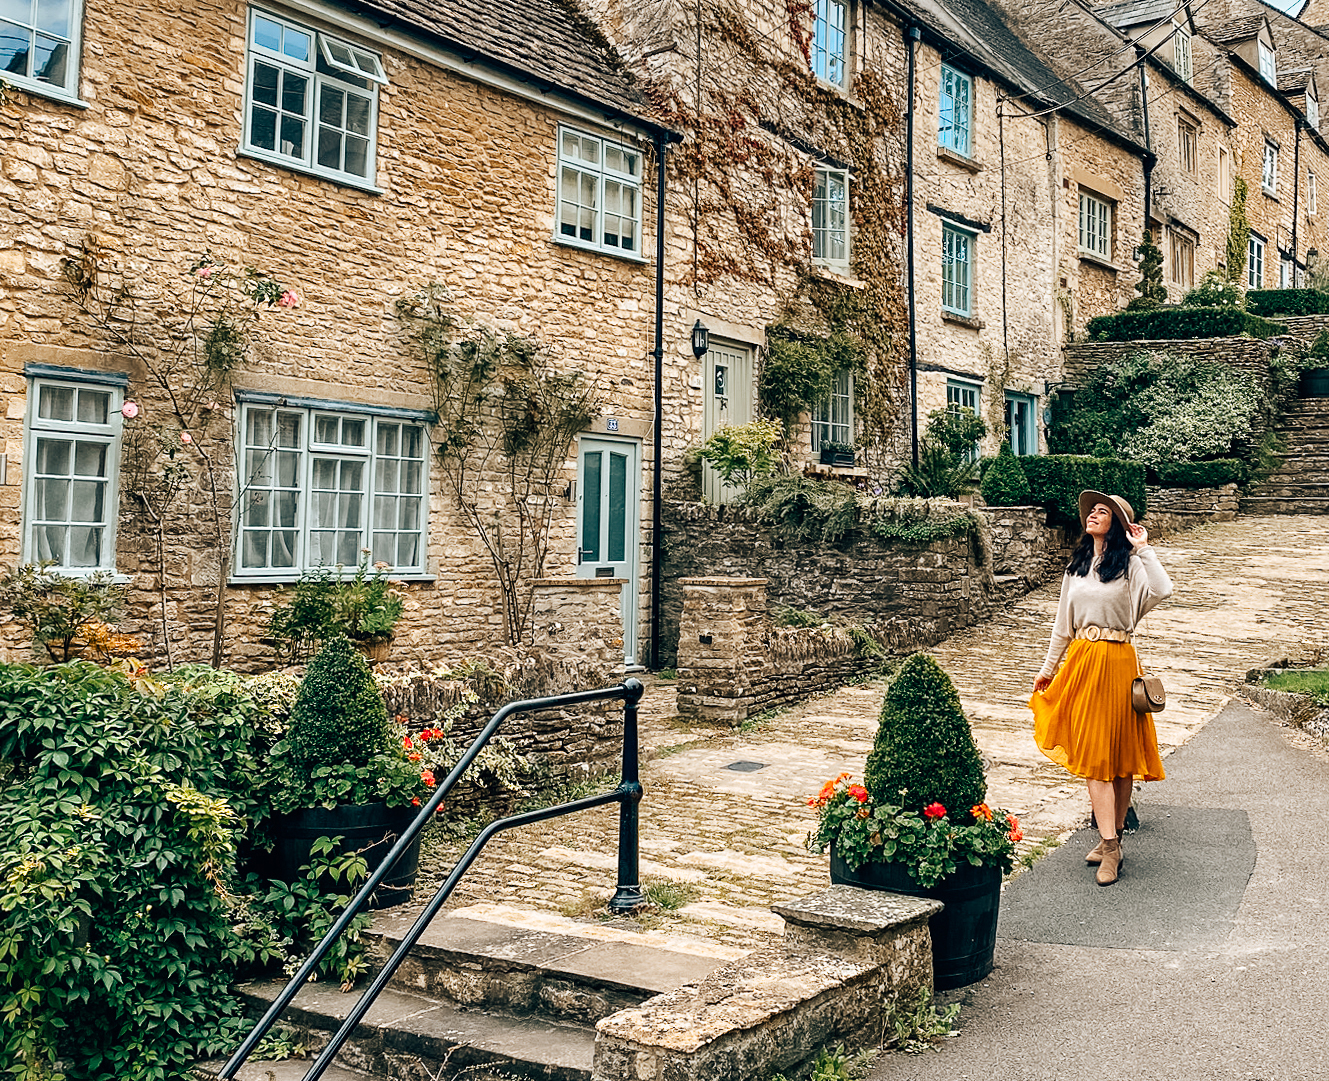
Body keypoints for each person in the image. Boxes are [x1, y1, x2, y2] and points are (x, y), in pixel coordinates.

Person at [1029, 490, 1173, 886]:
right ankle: (1109, 844)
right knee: (1095, 756)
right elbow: (1062, 625)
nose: (1093, 514)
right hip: (1082, 662)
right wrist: (1048, 669)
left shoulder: (1130, 566)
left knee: (1121, 758)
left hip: (1119, 661)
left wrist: (1143, 549)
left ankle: (1114, 840)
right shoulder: (1075, 566)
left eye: (1103, 511)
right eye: (1091, 509)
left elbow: (1163, 590)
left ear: (1120, 525)